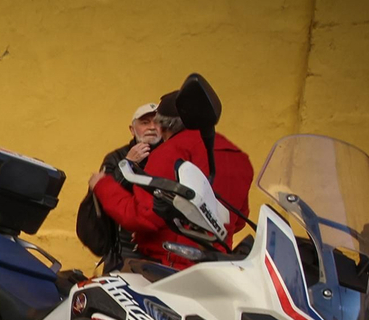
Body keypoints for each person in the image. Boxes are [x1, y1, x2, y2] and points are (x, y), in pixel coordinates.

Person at [89, 90, 254, 270]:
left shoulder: (170, 152)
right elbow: (238, 221)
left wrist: (103, 186)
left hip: (170, 265)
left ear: (162, 126)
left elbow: (143, 217)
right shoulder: (239, 158)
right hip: (217, 265)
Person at [76, 102, 163, 270]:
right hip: (123, 248)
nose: (152, 127)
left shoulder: (171, 155)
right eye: (145, 123)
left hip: (161, 247)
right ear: (132, 130)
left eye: (157, 122)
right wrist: (128, 164)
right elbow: (104, 194)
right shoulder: (117, 157)